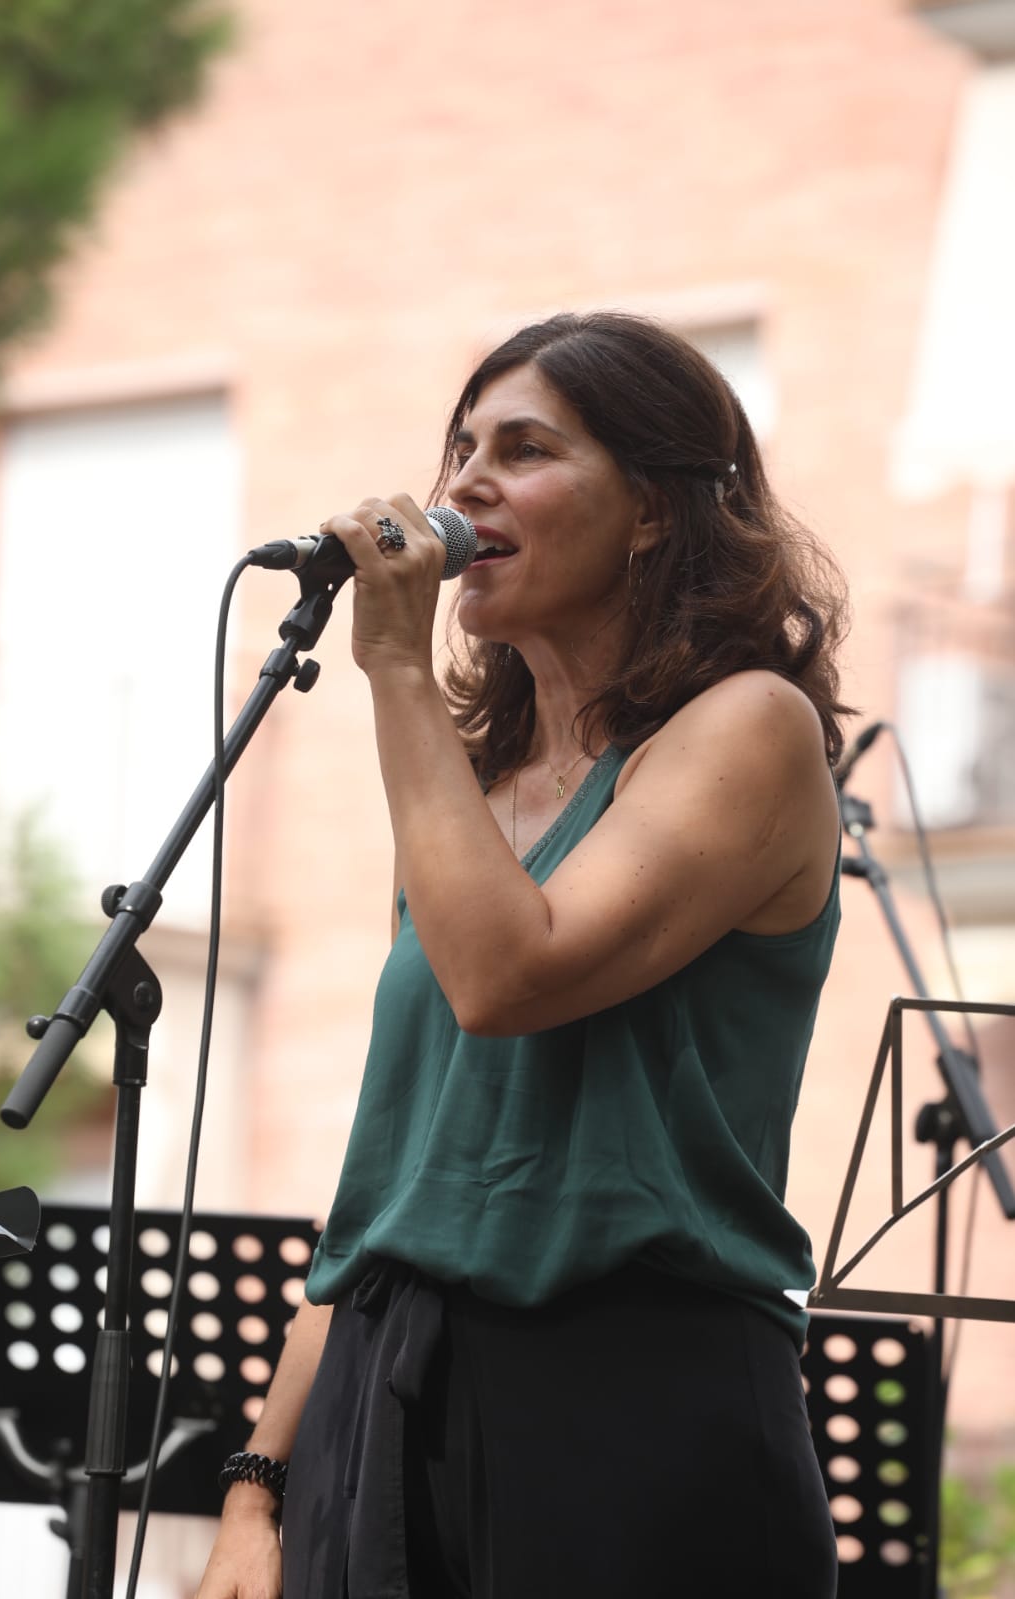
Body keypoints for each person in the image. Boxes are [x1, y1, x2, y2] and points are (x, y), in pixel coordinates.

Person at [196, 310, 850, 1599]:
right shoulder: (475, 794)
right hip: (385, 1394)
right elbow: (388, 1180)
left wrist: (389, 660)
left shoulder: (746, 731)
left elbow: (510, 980)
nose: (465, 484)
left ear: (657, 511)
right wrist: (256, 1488)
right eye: (460, 449)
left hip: (625, 1395)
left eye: (528, 448)